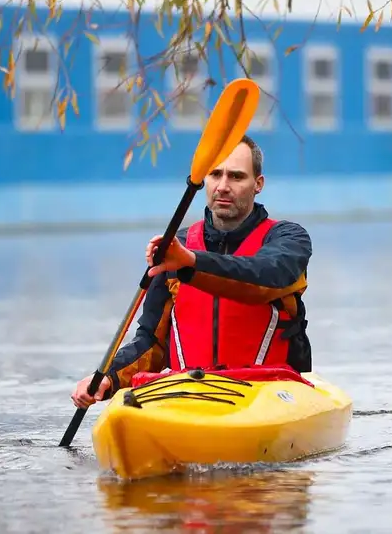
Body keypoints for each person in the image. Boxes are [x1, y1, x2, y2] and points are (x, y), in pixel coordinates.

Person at [71, 135, 314, 409]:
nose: (223, 186)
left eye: (236, 176)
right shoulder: (177, 247)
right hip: (189, 392)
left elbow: (262, 278)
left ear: (258, 184)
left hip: (269, 394)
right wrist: (108, 376)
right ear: (204, 180)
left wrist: (189, 262)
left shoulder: (289, 239)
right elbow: (152, 341)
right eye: (215, 174)